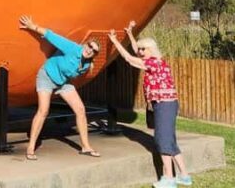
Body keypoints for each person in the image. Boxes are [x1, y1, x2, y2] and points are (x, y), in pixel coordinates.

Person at [109, 21, 192, 188]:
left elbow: (130, 59)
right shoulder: (155, 61)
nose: (140, 51)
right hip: (166, 104)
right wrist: (130, 34)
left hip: (164, 105)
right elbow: (135, 52)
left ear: (151, 50)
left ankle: (169, 178)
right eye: (140, 49)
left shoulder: (153, 63)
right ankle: (184, 176)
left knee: (162, 140)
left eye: (143, 49)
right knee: (170, 140)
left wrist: (115, 41)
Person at [19, 14, 101, 160]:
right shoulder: (72, 48)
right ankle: (31, 148)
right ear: (85, 44)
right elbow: (52, 36)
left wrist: (89, 65)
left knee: (80, 109)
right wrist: (33, 27)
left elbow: (74, 73)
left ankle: (86, 147)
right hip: (47, 76)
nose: (90, 51)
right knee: (43, 111)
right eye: (89, 46)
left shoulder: (87, 64)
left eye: (94, 51)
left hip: (62, 82)